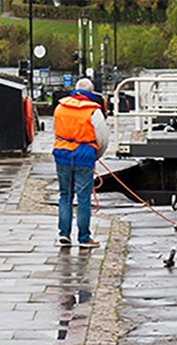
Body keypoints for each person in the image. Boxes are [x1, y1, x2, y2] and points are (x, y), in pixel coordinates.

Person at [53, 77, 109, 248]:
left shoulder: (60, 107)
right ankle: (84, 238)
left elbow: (56, 131)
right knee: (84, 198)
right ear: (91, 92)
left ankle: (64, 234)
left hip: (62, 154)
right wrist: (96, 155)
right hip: (84, 157)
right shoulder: (93, 111)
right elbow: (103, 139)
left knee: (65, 195)